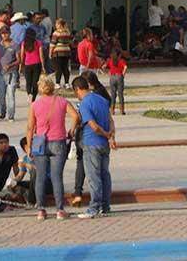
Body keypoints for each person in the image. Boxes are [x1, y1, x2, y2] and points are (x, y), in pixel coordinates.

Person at [25, 77, 79, 221]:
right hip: (58, 141)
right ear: (52, 87)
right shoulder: (62, 101)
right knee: (57, 177)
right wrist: (71, 131)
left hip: (40, 142)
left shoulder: (35, 105)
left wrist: (29, 145)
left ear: (40, 89)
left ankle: (41, 210)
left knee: (40, 177)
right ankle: (60, 210)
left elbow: (30, 127)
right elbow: (75, 116)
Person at [74, 75, 116, 219]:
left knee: (94, 176)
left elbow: (94, 126)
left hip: (92, 143)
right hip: (104, 145)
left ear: (78, 89)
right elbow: (111, 121)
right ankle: (105, 206)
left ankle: (94, 207)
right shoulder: (102, 100)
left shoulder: (85, 104)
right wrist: (111, 136)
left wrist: (104, 134)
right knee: (105, 175)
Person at [0, 28, 19, 121]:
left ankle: (11, 115)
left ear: (9, 33)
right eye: (2, 33)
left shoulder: (15, 45)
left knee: (10, 94)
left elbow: (19, 60)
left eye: (6, 33)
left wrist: (10, 65)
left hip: (11, 73)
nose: (4, 35)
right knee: (1, 95)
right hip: (0, 73)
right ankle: (2, 112)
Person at [20, 28, 45, 103]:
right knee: (35, 82)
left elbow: (22, 55)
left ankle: (29, 94)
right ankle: (33, 98)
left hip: (27, 64)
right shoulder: (38, 43)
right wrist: (43, 66)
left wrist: (21, 64)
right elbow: (41, 55)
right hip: (37, 64)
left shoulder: (24, 43)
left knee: (28, 81)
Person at [50, 18, 73, 88]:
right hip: (66, 52)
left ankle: (57, 83)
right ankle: (67, 83)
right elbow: (70, 42)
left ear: (59, 24)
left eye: (56, 24)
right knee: (65, 68)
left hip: (58, 52)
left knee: (58, 68)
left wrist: (50, 53)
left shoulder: (56, 33)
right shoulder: (67, 32)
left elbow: (53, 44)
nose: (55, 25)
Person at [106, 49, 127, 115]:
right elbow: (125, 67)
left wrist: (108, 73)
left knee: (113, 95)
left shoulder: (110, 61)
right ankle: (122, 110)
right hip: (119, 76)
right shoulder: (121, 61)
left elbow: (104, 67)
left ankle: (112, 110)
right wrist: (123, 75)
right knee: (120, 94)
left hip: (112, 77)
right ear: (119, 55)